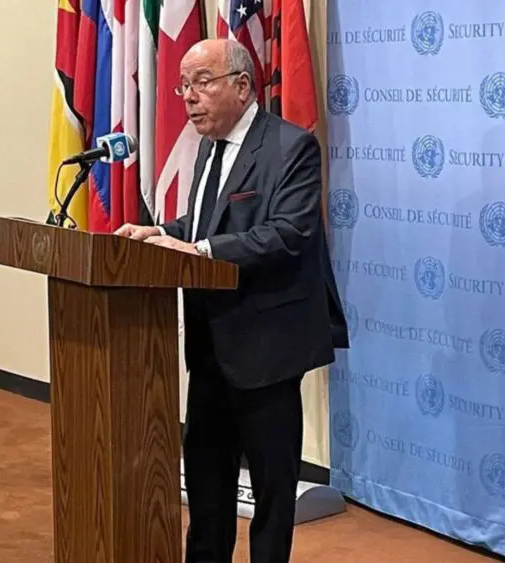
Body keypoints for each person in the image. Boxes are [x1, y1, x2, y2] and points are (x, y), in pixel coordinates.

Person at [114, 38, 348, 563]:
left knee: (271, 491)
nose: (188, 97)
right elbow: (207, 225)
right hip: (210, 349)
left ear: (242, 86)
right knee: (206, 483)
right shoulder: (208, 147)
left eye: (202, 82)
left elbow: (288, 233)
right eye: (183, 85)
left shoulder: (291, 148)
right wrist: (160, 233)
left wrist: (197, 249)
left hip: (267, 348)